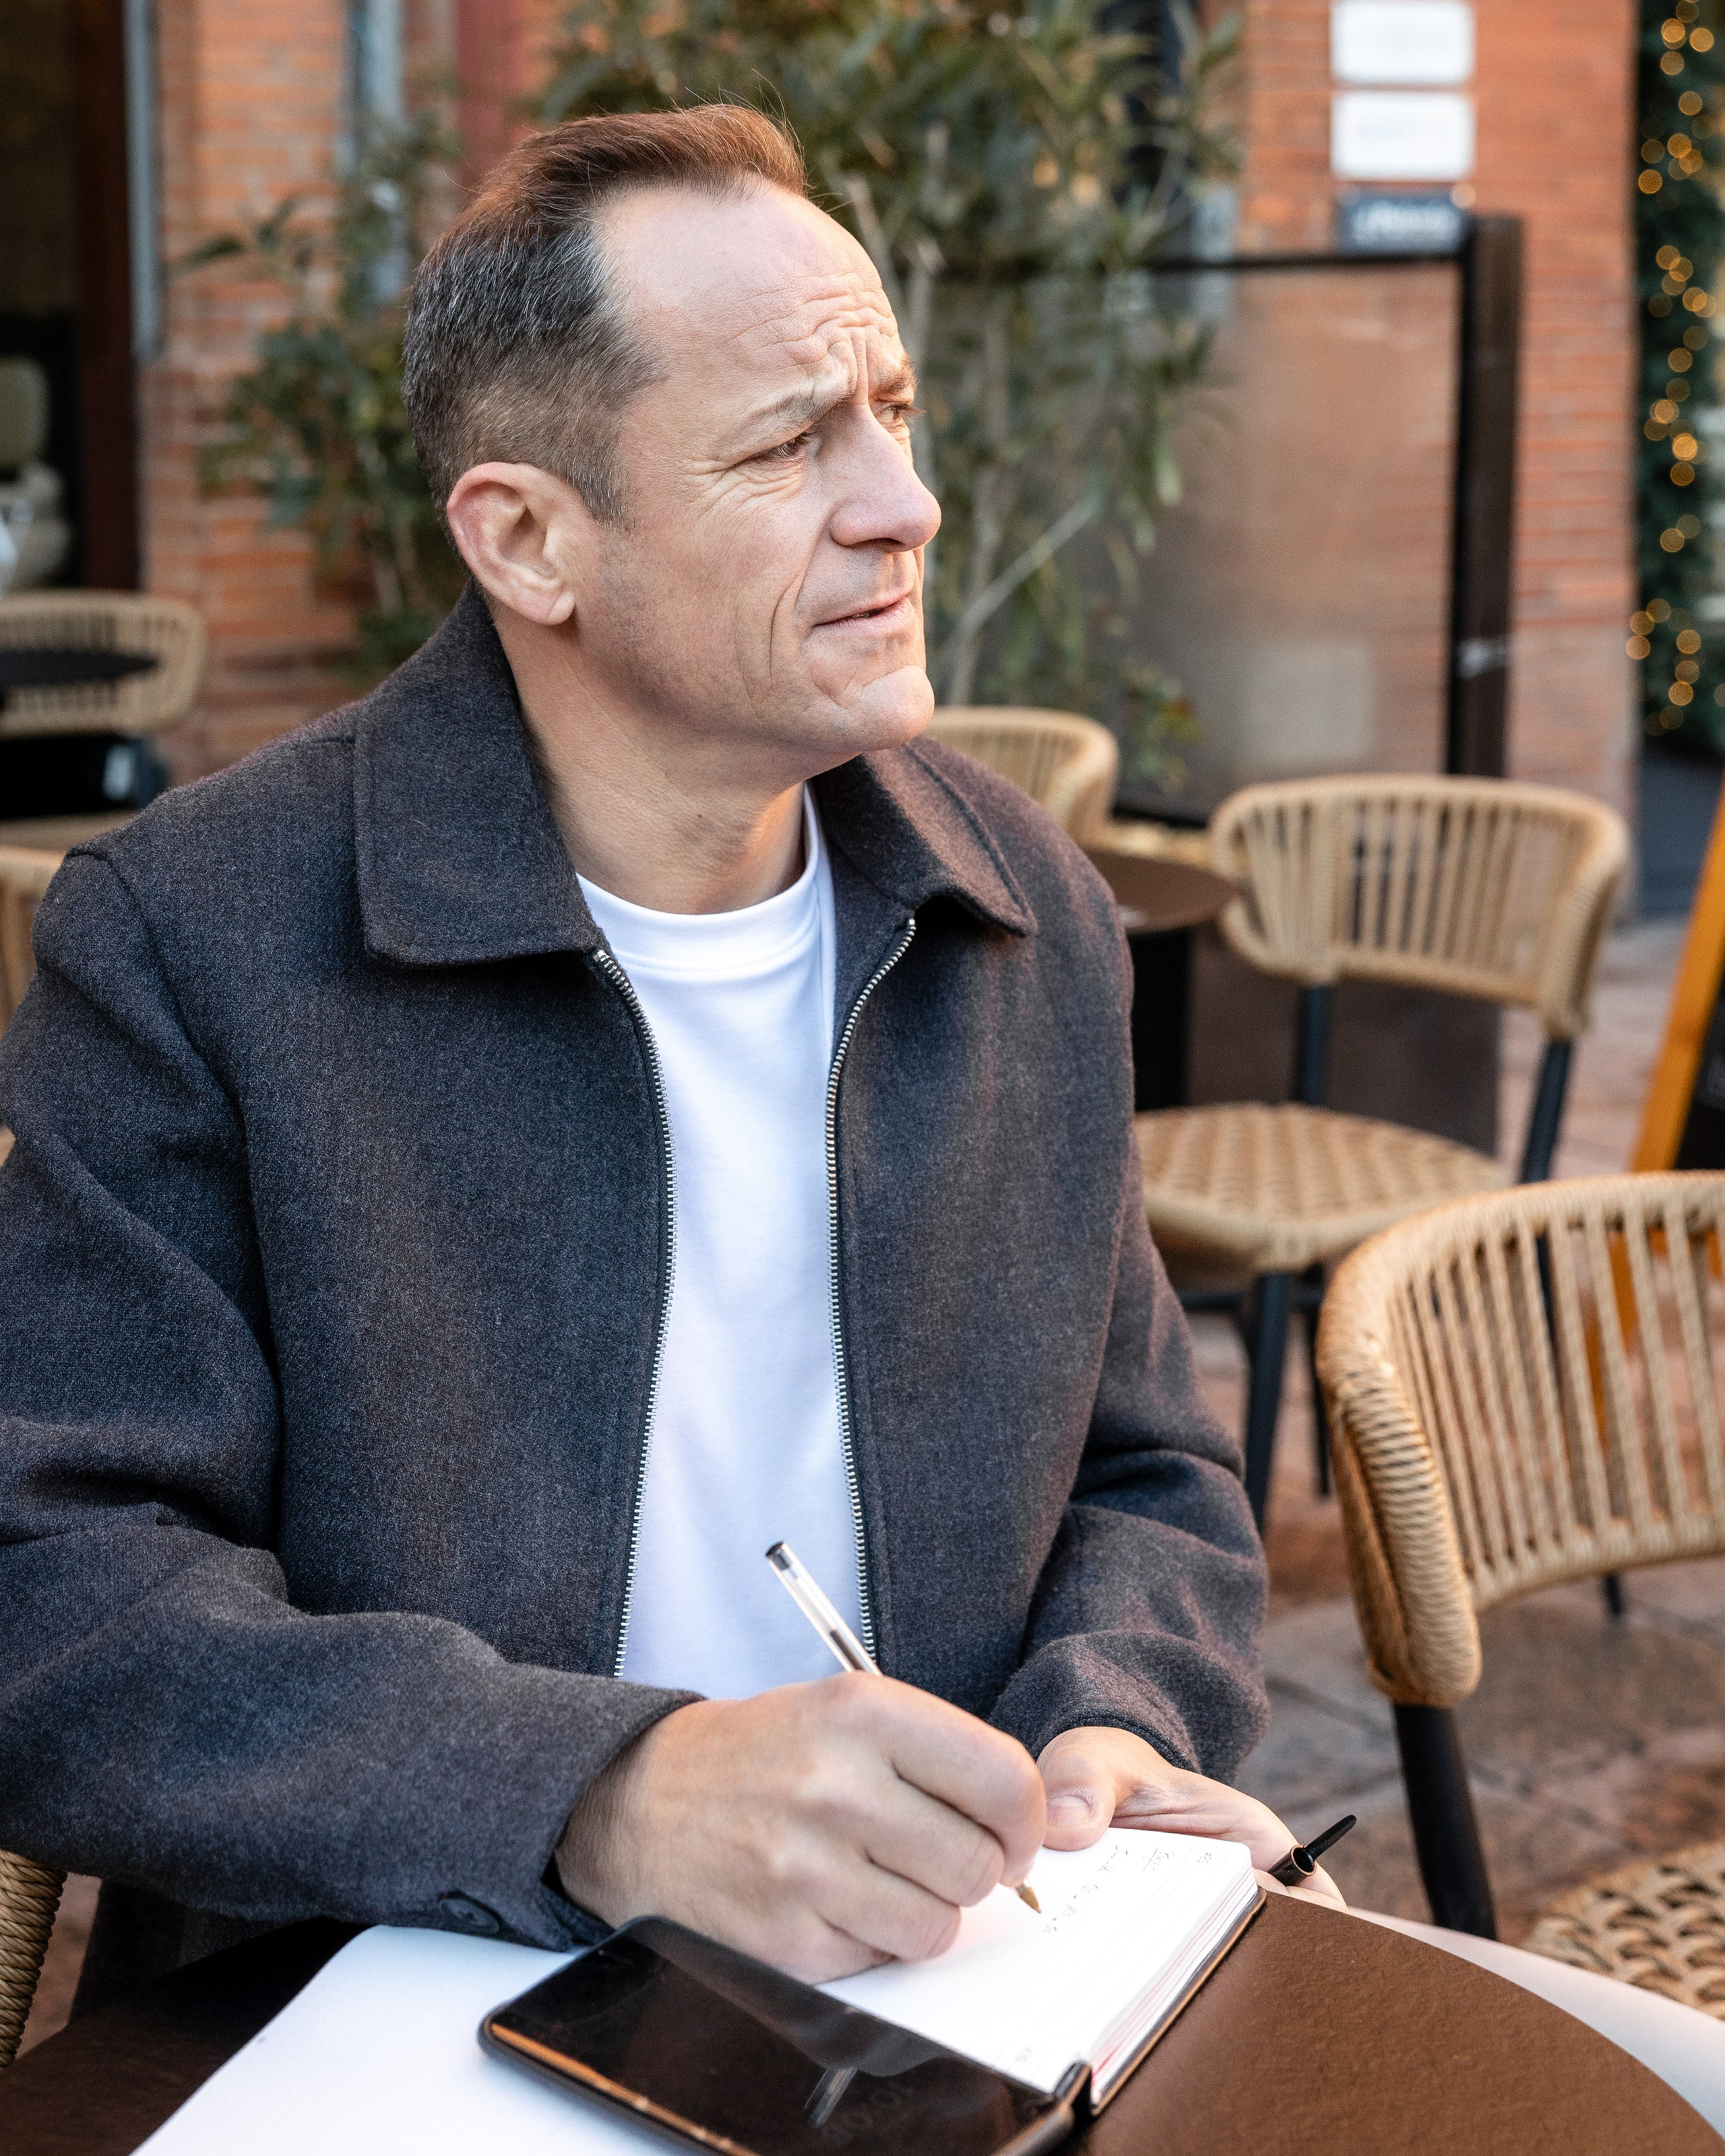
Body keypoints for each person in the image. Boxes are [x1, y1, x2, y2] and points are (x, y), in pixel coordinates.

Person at [0, 107, 1303, 2010]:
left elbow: (1152, 1471)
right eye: (790, 445)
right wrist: (602, 1793)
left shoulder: (1021, 912)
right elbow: (57, 1593)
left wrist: (1104, 1724)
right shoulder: (200, 939)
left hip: (937, 1990)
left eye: (895, 412)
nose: (904, 504)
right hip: (384, 1991)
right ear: (529, 537)